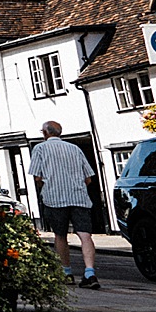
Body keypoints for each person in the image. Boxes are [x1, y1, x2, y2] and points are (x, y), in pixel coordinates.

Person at [29, 120, 101, 288]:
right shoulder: (75, 149)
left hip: (55, 199)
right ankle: (90, 273)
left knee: (60, 235)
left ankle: (67, 272)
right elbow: (88, 178)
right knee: (85, 235)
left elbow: (37, 177)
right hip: (79, 198)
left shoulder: (40, 149)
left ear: (45, 133)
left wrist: (46, 187)